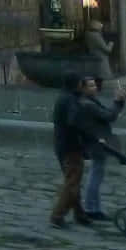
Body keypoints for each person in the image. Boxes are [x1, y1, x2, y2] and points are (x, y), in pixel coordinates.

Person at [72, 75, 126, 222]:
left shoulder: (89, 101)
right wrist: (118, 101)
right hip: (96, 143)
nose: (94, 88)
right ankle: (92, 209)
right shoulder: (87, 104)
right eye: (90, 86)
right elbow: (108, 116)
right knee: (95, 176)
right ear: (83, 88)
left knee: (96, 175)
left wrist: (118, 103)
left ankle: (94, 208)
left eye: (94, 85)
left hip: (97, 142)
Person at [49, 74, 85, 228]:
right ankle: (57, 215)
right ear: (76, 84)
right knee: (72, 182)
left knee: (73, 179)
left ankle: (80, 213)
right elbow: (73, 121)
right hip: (71, 146)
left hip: (62, 144)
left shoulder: (64, 97)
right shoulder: (70, 100)